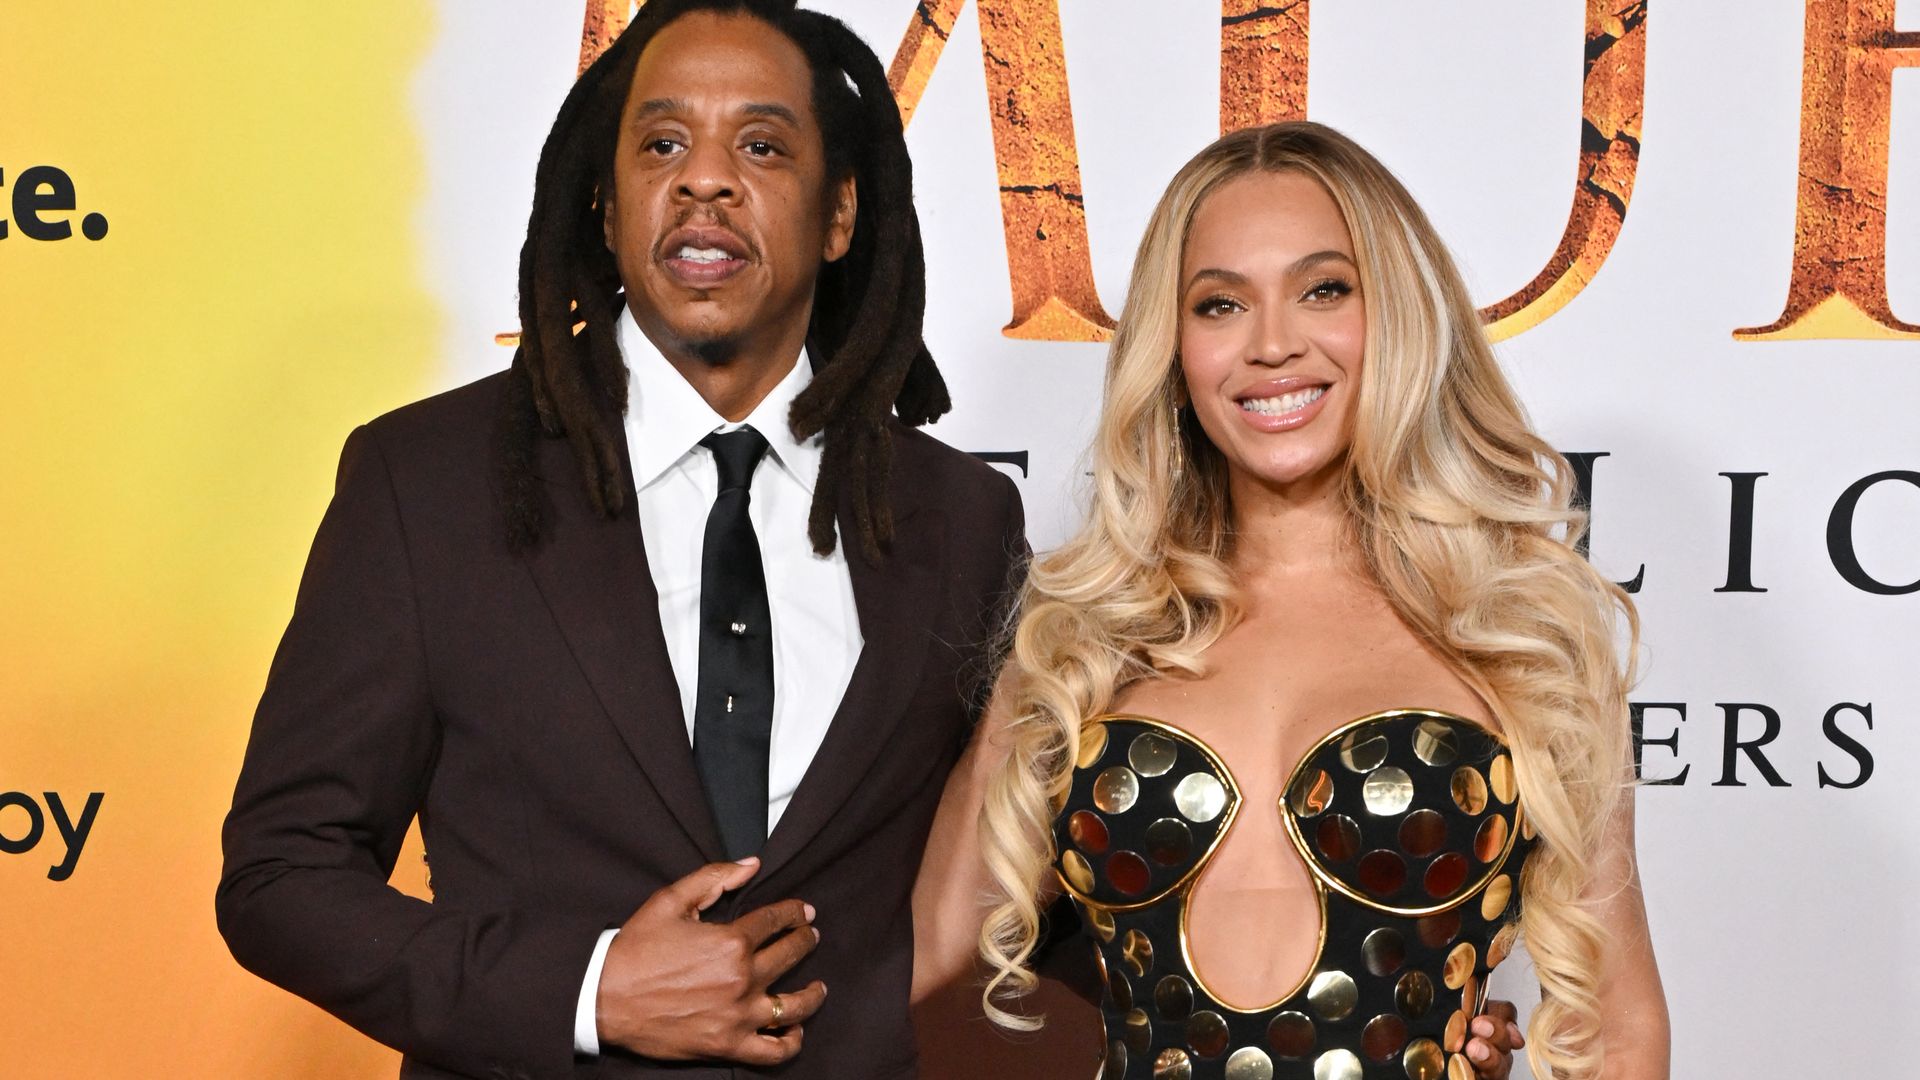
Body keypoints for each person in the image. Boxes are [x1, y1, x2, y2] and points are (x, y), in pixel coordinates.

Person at [216, 2, 1026, 1077]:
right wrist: (589, 990)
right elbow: (281, 876)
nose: (705, 178)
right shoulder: (428, 485)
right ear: (606, 207)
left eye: (762, 144)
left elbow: (1001, 877)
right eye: (661, 143)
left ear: (840, 217)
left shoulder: (962, 518)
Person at [913, 122, 1669, 1080]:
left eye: (1324, 290)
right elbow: (928, 956)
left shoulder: (1520, 632)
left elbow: (1617, 1025)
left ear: (1394, 312)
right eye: (1220, 304)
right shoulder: (1089, 632)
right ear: (1173, 347)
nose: (1271, 345)